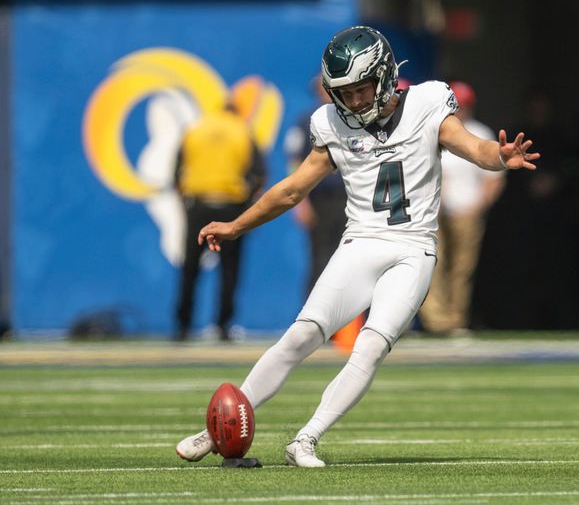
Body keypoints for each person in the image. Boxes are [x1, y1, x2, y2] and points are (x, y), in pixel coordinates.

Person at [176, 25, 539, 467]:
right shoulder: (331, 124)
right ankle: (218, 430)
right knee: (301, 335)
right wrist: (236, 226)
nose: (353, 102)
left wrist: (498, 158)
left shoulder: (426, 103)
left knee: (369, 346)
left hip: (412, 249)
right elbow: (290, 191)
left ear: (385, 76)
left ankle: (305, 439)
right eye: (343, 93)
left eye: (361, 89)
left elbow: (471, 146)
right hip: (361, 242)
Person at [173, 100, 266, 342]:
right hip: (231, 206)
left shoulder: (195, 130)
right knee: (229, 270)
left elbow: (176, 172)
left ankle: (183, 326)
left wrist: (186, 201)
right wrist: (247, 200)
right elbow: (259, 173)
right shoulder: (242, 132)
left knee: (190, 268)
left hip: (198, 205)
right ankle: (223, 325)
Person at [418, 81, 505, 336]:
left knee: (462, 267)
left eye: (464, 106)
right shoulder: (435, 129)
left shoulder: (481, 131)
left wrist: (481, 204)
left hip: (467, 209)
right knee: (433, 263)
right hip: (435, 209)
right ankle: (436, 321)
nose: (460, 111)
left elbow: (493, 177)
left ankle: (456, 319)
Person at [283, 75, 346, 295]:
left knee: (350, 260)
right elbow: (294, 162)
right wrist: (301, 202)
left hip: (349, 198)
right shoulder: (308, 121)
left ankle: (350, 324)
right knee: (320, 259)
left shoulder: (351, 118)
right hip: (320, 198)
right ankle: (314, 319)